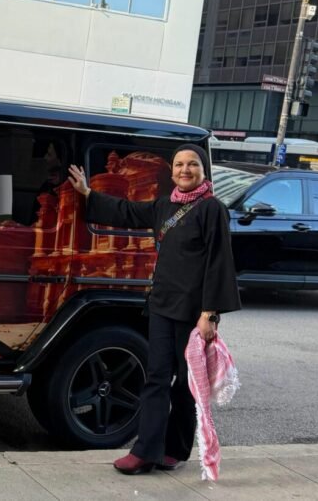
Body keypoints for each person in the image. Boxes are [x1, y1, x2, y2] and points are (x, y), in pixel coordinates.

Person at [67, 144, 241, 476]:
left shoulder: (212, 209)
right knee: (157, 379)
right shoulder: (165, 205)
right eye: (179, 165)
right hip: (161, 306)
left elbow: (219, 263)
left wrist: (210, 313)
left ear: (204, 171)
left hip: (192, 313)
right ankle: (145, 452)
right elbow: (128, 212)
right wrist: (88, 193)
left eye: (192, 165)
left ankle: (175, 449)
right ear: (172, 171)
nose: (184, 170)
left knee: (184, 384)